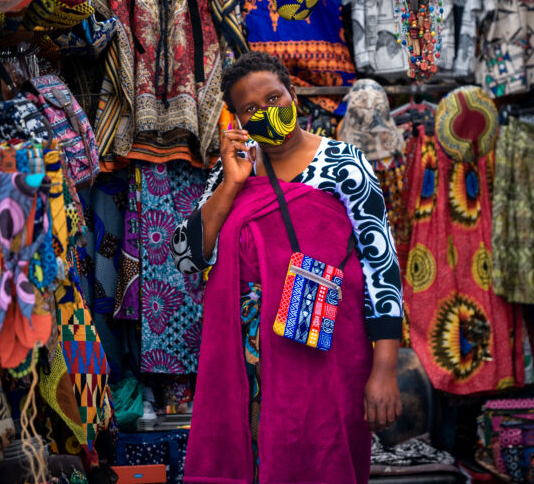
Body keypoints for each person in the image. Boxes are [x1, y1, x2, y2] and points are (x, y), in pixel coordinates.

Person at [171, 51, 403, 484]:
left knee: (321, 454)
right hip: (249, 361)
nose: (267, 113)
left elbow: (381, 266)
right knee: (257, 459)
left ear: (293, 94)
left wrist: (385, 368)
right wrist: (231, 185)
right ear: (236, 119)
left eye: (274, 99)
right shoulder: (234, 170)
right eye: (251, 109)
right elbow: (186, 257)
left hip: (326, 350)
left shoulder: (344, 165)